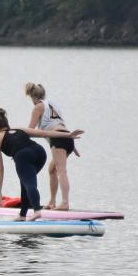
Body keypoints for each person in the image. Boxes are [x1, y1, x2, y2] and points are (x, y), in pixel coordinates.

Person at [0, 108, 84, 221]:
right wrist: (68, 135)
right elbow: (44, 133)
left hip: (23, 156)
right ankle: (22, 214)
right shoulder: (19, 129)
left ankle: (37, 211)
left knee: (29, 183)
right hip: (40, 153)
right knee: (25, 182)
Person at [25, 82, 82, 210]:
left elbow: (30, 130)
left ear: (33, 97)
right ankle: (52, 202)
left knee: (61, 170)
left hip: (59, 139)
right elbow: (62, 126)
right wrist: (73, 146)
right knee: (52, 169)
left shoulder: (38, 107)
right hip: (67, 138)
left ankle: (65, 203)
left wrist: (19, 139)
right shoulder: (53, 104)